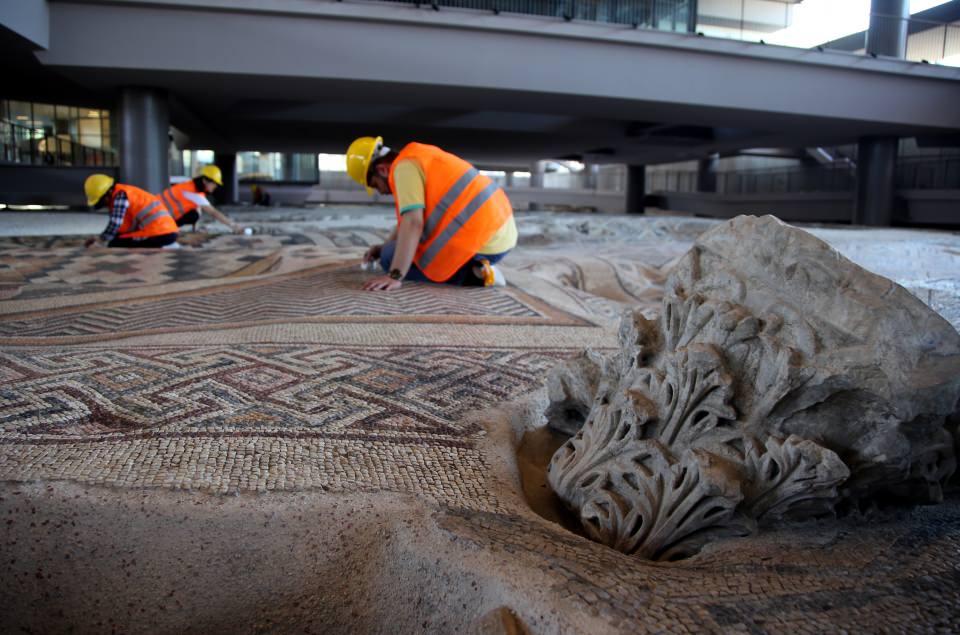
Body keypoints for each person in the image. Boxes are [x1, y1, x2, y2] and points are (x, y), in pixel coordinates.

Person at [346, 136, 517, 292]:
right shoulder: (417, 156)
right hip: (501, 236)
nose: (380, 192)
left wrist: (394, 275)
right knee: (389, 250)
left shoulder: (403, 170)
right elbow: (407, 221)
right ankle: (476, 266)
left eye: (375, 185)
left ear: (382, 170)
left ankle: (473, 274)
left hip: (482, 244)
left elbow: (413, 223)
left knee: (389, 258)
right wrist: (383, 246)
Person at [82, 174, 179, 249]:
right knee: (118, 239)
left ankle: (167, 247)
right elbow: (122, 228)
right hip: (164, 231)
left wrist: (100, 241)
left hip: (162, 233)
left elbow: (115, 223)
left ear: (107, 193)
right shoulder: (122, 193)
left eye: (101, 200)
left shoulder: (121, 196)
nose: (103, 204)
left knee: (115, 243)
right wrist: (100, 238)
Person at [157, 165, 242, 233]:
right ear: (205, 181)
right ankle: (168, 229)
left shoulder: (187, 182)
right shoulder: (195, 195)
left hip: (156, 211)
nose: (215, 186)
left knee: (196, 210)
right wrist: (233, 225)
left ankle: (169, 227)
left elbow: (169, 179)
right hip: (159, 219)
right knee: (195, 214)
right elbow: (214, 212)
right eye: (214, 183)